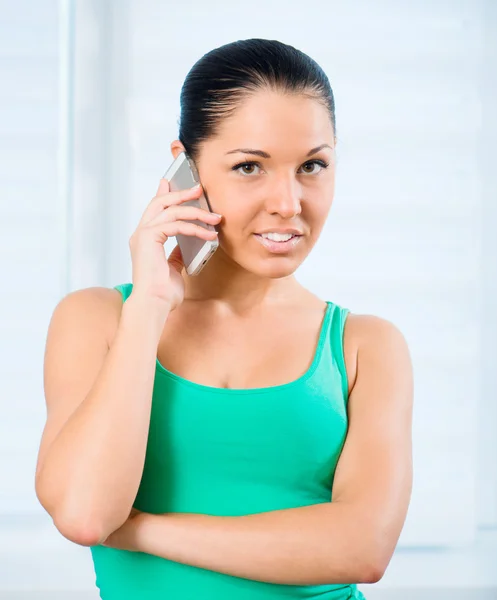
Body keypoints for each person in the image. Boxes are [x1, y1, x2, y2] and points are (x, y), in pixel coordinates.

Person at [35, 38, 413, 600]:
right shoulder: (99, 321)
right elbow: (87, 513)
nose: (288, 202)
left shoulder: (365, 346)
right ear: (185, 167)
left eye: (313, 165)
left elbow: (362, 549)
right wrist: (150, 305)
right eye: (249, 167)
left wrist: (141, 531)